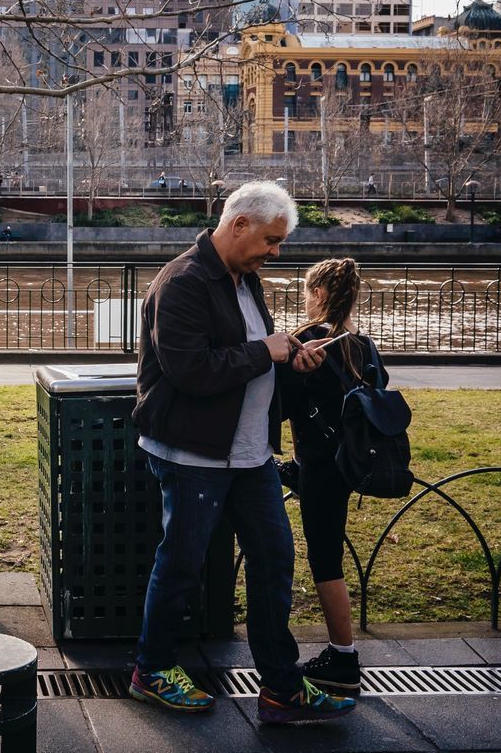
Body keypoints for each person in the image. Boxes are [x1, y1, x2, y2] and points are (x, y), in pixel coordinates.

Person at [130, 182, 356, 724]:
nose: (275, 252)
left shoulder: (244, 279)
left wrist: (289, 357)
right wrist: (264, 352)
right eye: (271, 240)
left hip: (248, 456)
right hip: (193, 456)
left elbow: (253, 350)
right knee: (181, 566)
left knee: (275, 559)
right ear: (239, 225)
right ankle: (152, 669)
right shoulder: (182, 283)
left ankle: (281, 686)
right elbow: (190, 371)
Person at [282, 258, 388, 698]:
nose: (306, 300)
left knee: (326, 563)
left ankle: (343, 657)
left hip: (320, 467)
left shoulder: (307, 340)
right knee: (328, 555)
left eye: (308, 292)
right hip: (348, 464)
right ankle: (341, 654)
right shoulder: (362, 344)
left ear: (320, 295)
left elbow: (283, 403)